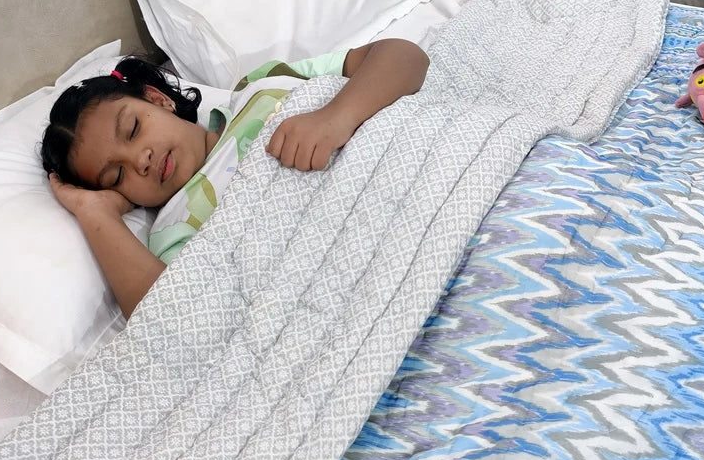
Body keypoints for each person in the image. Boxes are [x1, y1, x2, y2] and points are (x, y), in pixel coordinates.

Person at [41, 39, 429, 317]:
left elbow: (406, 58)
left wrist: (336, 116)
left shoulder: (260, 89)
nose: (140, 160)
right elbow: (168, 322)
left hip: (418, 182)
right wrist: (96, 215)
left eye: (134, 129)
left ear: (158, 100)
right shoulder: (175, 228)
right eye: (118, 174)